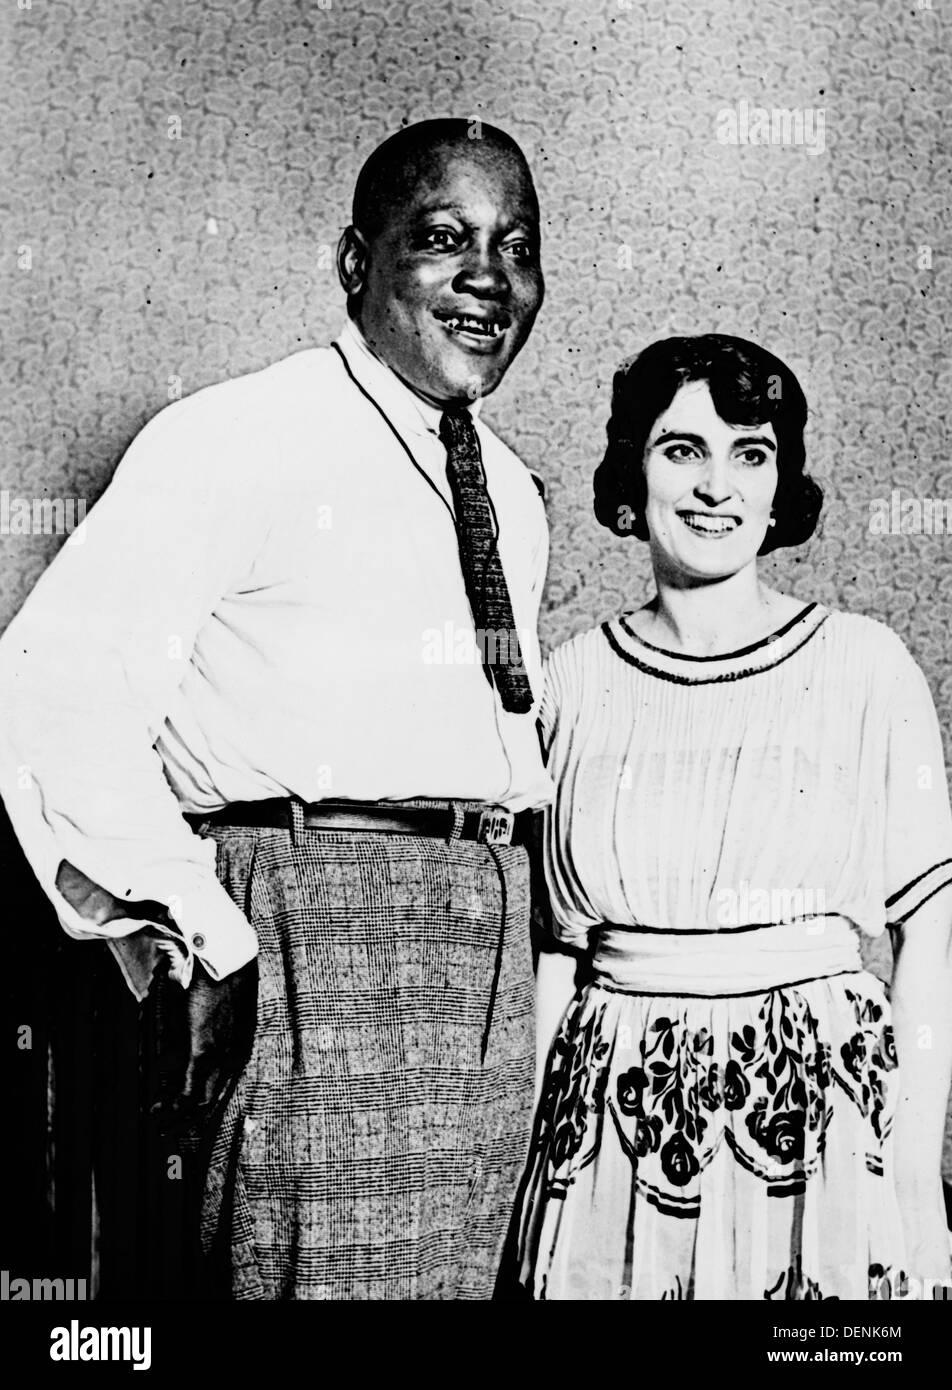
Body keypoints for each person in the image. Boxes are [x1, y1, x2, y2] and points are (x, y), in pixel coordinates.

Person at [0, 118, 551, 1300]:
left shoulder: (508, 485)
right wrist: (200, 930)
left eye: (515, 246)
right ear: (357, 263)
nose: (486, 279)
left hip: (486, 939)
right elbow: (55, 691)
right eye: (442, 239)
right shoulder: (234, 437)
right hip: (308, 925)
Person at [515, 334, 952, 1300]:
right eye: (683, 450)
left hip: (822, 1135)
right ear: (633, 472)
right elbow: (555, 958)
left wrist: (915, 1181)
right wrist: (534, 1182)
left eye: (750, 453)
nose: (718, 486)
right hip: (608, 1139)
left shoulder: (867, 667)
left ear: (779, 480)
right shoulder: (571, 683)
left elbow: (935, 941)